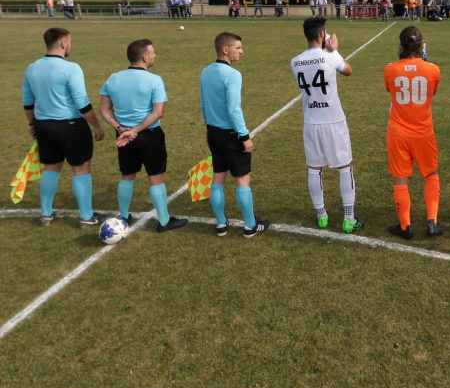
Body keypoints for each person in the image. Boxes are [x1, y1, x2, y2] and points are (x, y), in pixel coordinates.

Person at [98, 39, 187, 232]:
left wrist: (120, 128)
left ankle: (123, 217)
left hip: (124, 137)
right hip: (149, 135)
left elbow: (104, 109)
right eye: (153, 53)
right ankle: (164, 221)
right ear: (145, 57)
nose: (155, 55)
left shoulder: (113, 78)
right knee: (155, 177)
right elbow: (158, 112)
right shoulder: (154, 80)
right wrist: (136, 130)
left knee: (127, 175)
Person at [22, 28, 106, 226]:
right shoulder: (71, 68)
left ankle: (46, 213)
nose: (70, 45)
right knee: (81, 169)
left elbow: (27, 103)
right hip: (71, 126)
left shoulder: (31, 68)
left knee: (51, 167)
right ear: (63, 44)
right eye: (70, 42)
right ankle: (86, 216)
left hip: (44, 126)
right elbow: (82, 103)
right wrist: (97, 126)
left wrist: (32, 124)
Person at [290, 17, 362, 232]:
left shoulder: (295, 61)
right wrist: (334, 51)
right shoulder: (329, 57)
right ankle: (349, 219)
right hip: (333, 120)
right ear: (322, 35)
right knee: (344, 167)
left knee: (314, 169)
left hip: (311, 121)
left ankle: (321, 215)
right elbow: (348, 70)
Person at [199, 32, 269, 237]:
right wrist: (245, 136)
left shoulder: (205, 72)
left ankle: (221, 224)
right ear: (225, 49)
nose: (242, 52)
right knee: (242, 180)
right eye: (238, 48)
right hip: (231, 136)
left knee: (218, 178)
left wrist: (208, 128)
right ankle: (250, 226)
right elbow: (234, 109)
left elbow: (203, 104)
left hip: (213, 134)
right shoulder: (233, 75)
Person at [383, 26, 443, 239]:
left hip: (398, 132)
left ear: (401, 45)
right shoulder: (433, 69)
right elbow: (432, 92)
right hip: (423, 132)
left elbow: (390, 88)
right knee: (430, 173)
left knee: (400, 178)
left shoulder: (390, 69)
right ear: (421, 46)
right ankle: (432, 222)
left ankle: (405, 225)